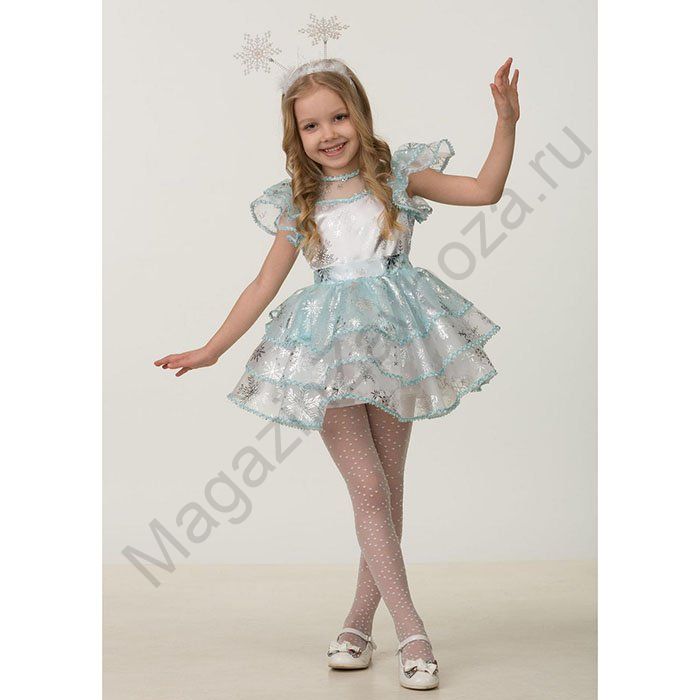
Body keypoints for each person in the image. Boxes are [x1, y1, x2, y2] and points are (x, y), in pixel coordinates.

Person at [155, 55, 519, 691]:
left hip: (396, 343)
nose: (328, 133)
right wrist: (212, 348)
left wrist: (506, 124)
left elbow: (484, 191)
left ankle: (356, 624)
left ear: (360, 115)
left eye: (339, 117)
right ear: (295, 136)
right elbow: (262, 284)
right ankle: (412, 632)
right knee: (368, 487)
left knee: (388, 489)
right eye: (311, 125)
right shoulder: (299, 203)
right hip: (327, 351)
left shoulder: (397, 176)